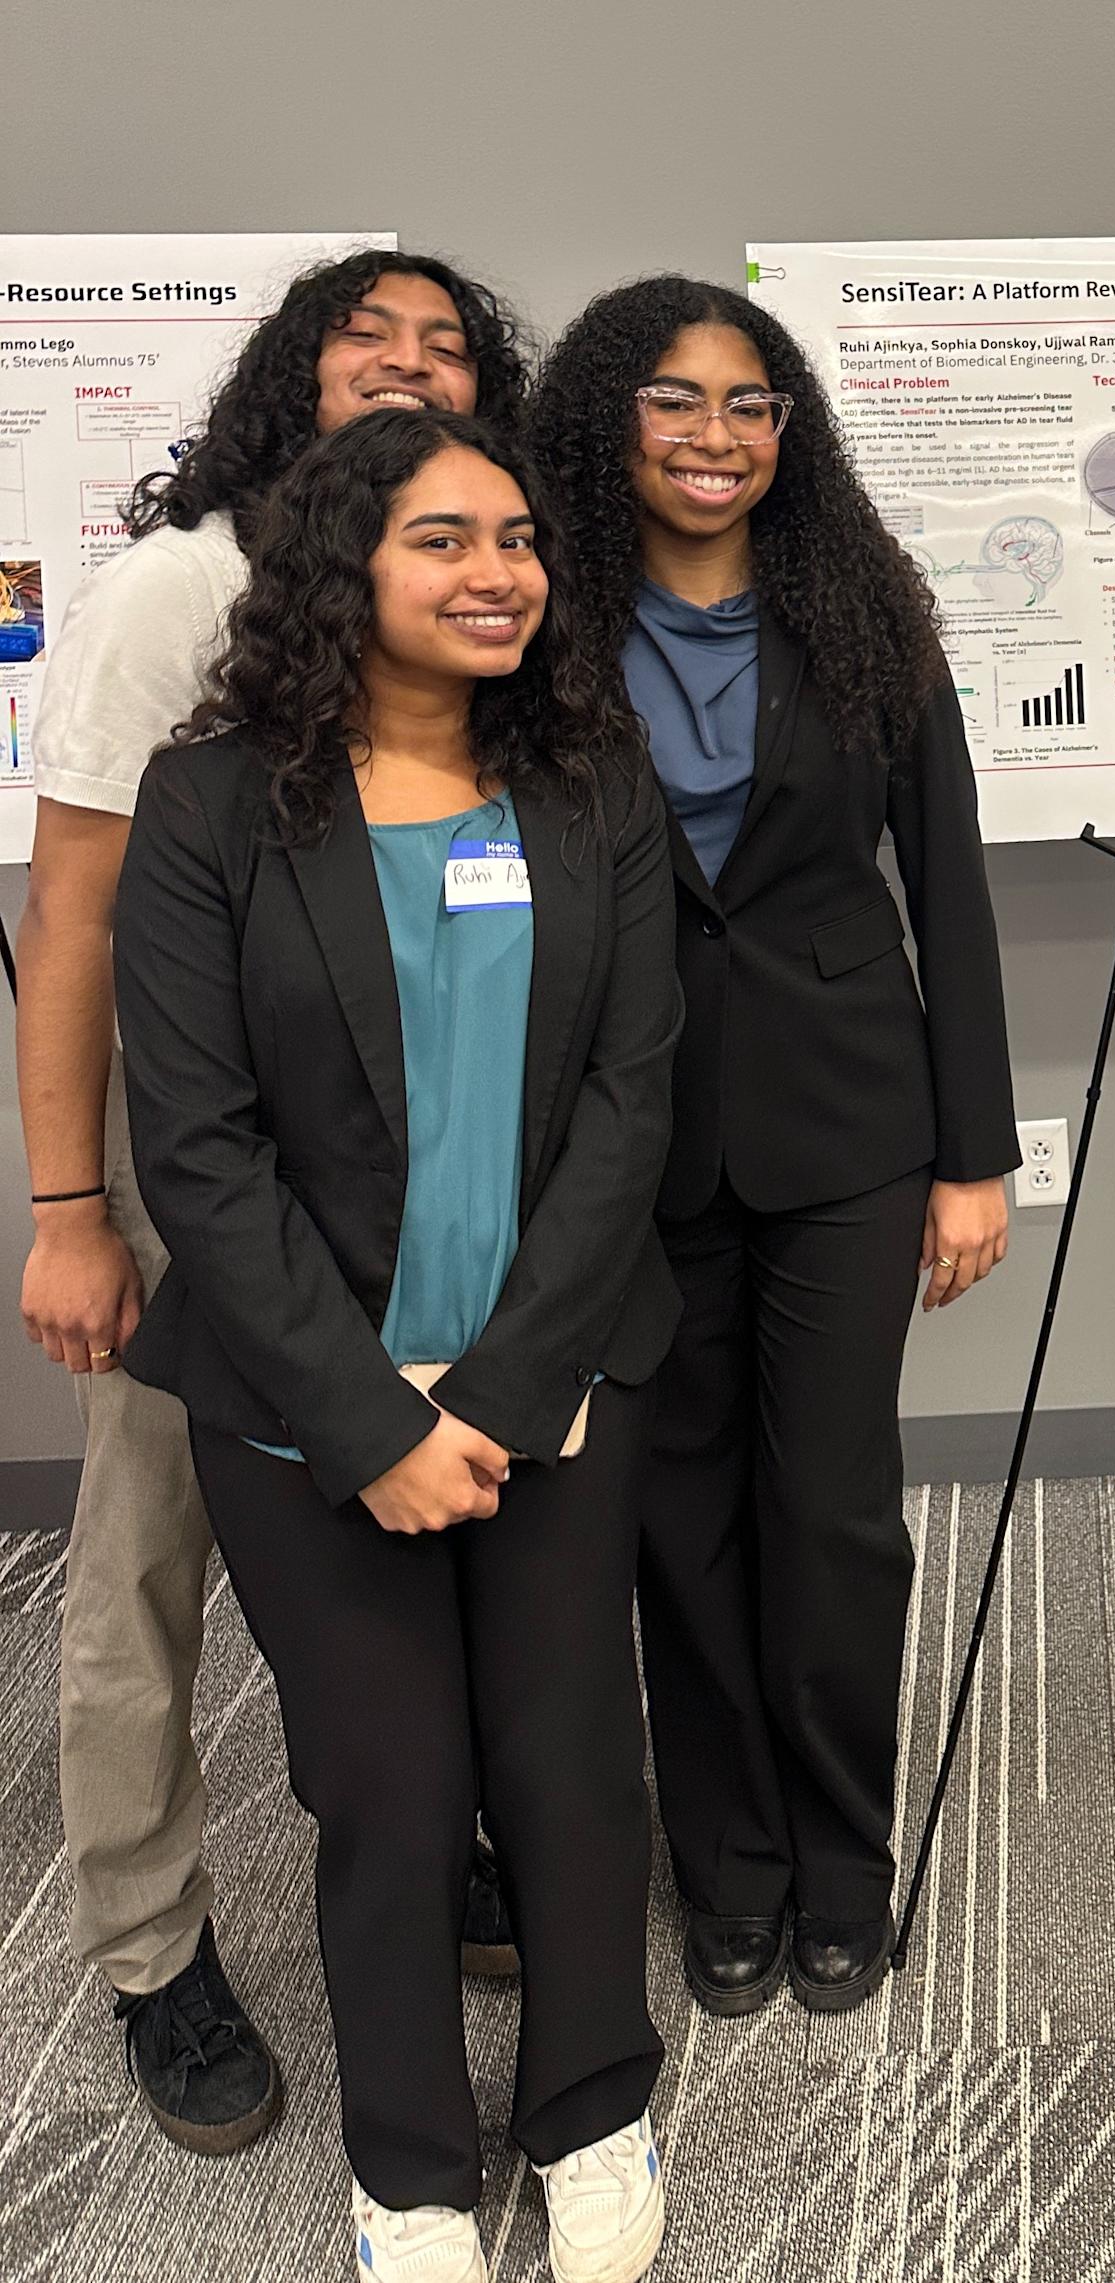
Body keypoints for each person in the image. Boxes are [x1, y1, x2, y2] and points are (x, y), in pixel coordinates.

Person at [112, 410, 678, 2283]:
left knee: (571, 1758)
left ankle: (592, 2109)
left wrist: (505, 1398)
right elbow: (194, 1146)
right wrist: (374, 1423)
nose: (497, 570)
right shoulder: (210, 805)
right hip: (304, 1409)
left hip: (554, 1377)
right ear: (344, 566)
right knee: (392, 1784)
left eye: (516, 537)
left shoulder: (593, 780)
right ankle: (412, 2165)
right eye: (443, 539)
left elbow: (630, 1100)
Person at [16, 248, 529, 2154]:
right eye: (365, 343)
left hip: (411, 1154)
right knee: (152, 1553)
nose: (407, 369)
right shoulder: (184, 586)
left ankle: (435, 1831)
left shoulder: (463, 581)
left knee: (421, 1494)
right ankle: (153, 1950)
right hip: (202, 1162)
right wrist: (73, 1205)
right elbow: (69, 904)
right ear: (286, 377)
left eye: (446, 349)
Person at [529, 278, 1019, 2019]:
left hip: (848, 1130)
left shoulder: (867, 615)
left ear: (786, 431)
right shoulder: (545, 625)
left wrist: (978, 1155)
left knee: (832, 1513)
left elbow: (946, 888)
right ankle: (724, 1870)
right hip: (625, 1142)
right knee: (680, 1520)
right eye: (675, 401)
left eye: (750, 405)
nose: (716, 438)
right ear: (611, 421)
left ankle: (840, 1862)